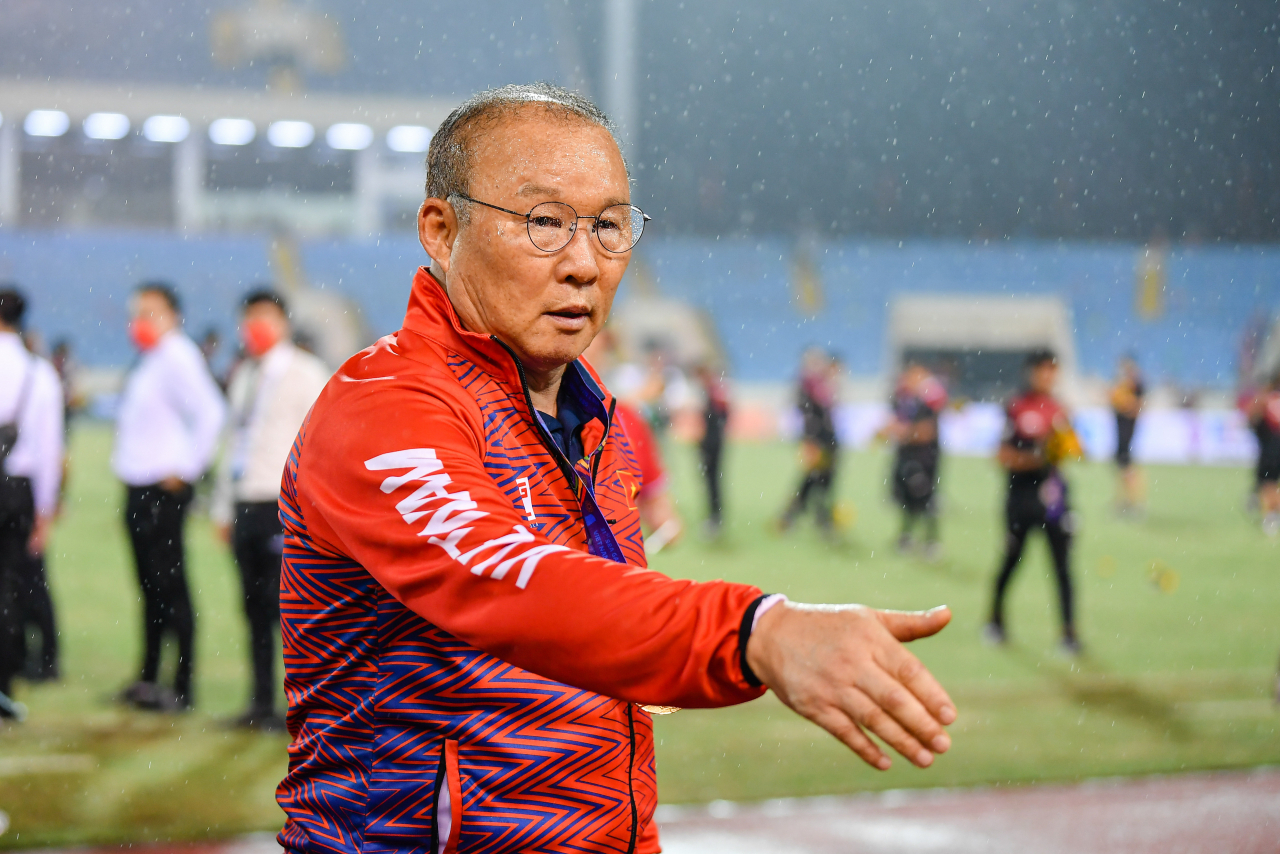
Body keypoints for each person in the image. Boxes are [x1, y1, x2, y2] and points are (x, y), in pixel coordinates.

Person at [275, 83, 955, 854]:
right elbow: (510, 582)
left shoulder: (591, 417)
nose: (583, 264)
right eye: (542, 223)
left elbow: (595, 702)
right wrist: (754, 630)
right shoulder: (385, 406)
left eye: (607, 226)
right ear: (441, 228)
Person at [212, 289, 329, 730]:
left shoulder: (306, 373)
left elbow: (323, 441)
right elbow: (234, 443)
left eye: (263, 317)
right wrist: (224, 507)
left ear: (283, 322)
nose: (254, 327)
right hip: (246, 502)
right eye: (249, 318)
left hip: (284, 504)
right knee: (254, 609)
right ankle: (260, 703)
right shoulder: (244, 374)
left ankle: (306, 709)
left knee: (295, 614)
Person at [113, 283, 225, 711]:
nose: (141, 321)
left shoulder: (178, 355)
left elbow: (211, 412)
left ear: (173, 315)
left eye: (151, 312)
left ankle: (181, 684)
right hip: (141, 486)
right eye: (137, 312)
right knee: (150, 587)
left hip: (163, 488)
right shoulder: (152, 359)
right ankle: (147, 678)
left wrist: (188, 470)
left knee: (170, 586)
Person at [985, 349, 1083, 655]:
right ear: (1031, 372)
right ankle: (995, 621)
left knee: (1063, 568)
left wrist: (1069, 448)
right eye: (1043, 369)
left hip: (1055, 500)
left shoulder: (1061, 409)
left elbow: (1076, 452)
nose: (1048, 376)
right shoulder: (1015, 406)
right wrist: (1037, 458)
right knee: (1011, 561)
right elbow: (1001, 456)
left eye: (1053, 370)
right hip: (1020, 499)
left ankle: (1068, 634)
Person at [0, 287, 64, 720]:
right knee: (9, 589)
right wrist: (44, 510)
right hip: (16, 490)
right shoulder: (39, 374)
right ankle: (4, 686)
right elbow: (49, 449)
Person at [583, 330, 682, 554]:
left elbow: (661, 513)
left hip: (612, 573)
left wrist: (667, 528)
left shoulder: (630, 421)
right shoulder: (522, 413)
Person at [885, 362, 947, 558]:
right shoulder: (902, 401)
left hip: (924, 459)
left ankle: (931, 541)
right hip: (906, 458)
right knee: (906, 501)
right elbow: (893, 426)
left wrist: (905, 433)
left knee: (926, 500)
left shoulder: (929, 401)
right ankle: (906, 537)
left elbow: (927, 432)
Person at [779, 347, 841, 535]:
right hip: (815, 439)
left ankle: (814, 517)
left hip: (827, 439)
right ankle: (796, 516)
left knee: (824, 480)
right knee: (811, 479)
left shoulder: (823, 384)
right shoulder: (805, 385)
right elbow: (806, 414)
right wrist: (809, 440)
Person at [695, 362, 730, 535]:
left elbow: (717, 418)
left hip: (711, 444)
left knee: (712, 480)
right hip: (714, 442)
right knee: (713, 480)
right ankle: (715, 515)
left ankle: (715, 517)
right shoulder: (715, 391)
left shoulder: (713, 392)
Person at [1110, 354, 1146, 515]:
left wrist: (1123, 402)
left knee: (1127, 466)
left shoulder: (1136, 385)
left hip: (1126, 430)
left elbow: (1137, 407)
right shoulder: (1122, 384)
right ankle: (1124, 501)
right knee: (1121, 467)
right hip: (1120, 431)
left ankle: (1134, 502)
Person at [1246, 372, 1280, 535]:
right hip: (1273, 448)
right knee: (1269, 484)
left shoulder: (1266, 399)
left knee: (1268, 485)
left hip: (1271, 450)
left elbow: (1252, 417)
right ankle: (1271, 514)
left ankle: (1271, 517)